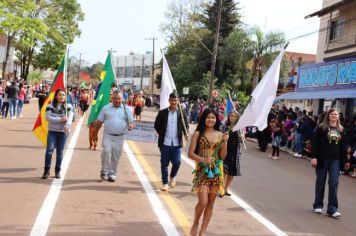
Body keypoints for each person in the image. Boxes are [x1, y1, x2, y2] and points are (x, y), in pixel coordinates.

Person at [188, 108, 228, 236]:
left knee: (211, 202)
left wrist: (225, 142)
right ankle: (195, 223)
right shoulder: (197, 134)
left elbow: (222, 156)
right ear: (204, 118)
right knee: (203, 201)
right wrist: (204, 159)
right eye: (208, 117)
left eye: (213, 118)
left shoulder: (221, 135)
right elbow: (190, 154)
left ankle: (203, 232)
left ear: (217, 120)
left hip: (216, 172)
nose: (211, 120)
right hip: (203, 171)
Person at [311, 108, 346, 218]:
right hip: (322, 159)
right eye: (332, 114)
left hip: (335, 160)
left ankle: (332, 208)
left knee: (334, 183)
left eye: (336, 114)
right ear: (328, 115)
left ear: (338, 116)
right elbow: (315, 143)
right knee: (320, 182)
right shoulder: (321, 128)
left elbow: (342, 147)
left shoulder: (341, 129)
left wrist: (344, 161)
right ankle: (318, 205)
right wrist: (314, 157)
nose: (334, 116)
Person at [93, 89, 133, 182]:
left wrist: (130, 125)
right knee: (106, 152)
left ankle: (112, 174)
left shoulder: (127, 109)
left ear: (122, 99)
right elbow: (99, 122)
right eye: (115, 99)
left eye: (119, 99)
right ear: (112, 99)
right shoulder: (106, 108)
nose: (117, 101)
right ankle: (104, 171)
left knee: (116, 156)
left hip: (120, 137)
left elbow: (131, 122)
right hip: (108, 135)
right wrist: (95, 134)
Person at [154, 93, 189, 191]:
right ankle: (165, 183)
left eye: (175, 100)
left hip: (177, 144)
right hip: (165, 143)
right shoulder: (163, 113)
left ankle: (172, 176)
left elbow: (186, 124)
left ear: (178, 101)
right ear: (169, 100)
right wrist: (162, 133)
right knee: (164, 164)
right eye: (172, 100)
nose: (174, 102)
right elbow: (157, 125)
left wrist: (186, 133)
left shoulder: (181, 113)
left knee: (177, 162)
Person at [42, 89, 74, 179]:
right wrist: (60, 119)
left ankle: (57, 170)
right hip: (52, 132)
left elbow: (70, 118)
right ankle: (46, 170)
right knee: (49, 150)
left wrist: (67, 125)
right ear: (56, 96)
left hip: (63, 133)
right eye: (60, 95)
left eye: (63, 95)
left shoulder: (69, 106)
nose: (62, 96)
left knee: (60, 152)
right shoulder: (50, 105)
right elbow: (48, 117)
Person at [219, 110, 241, 197]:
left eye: (234, 116)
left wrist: (243, 136)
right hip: (225, 151)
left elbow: (241, 140)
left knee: (232, 172)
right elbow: (220, 136)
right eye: (231, 115)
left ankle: (226, 188)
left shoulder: (239, 128)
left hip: (235, 152)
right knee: (224, 170)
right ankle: (221, 188)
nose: (232, 117)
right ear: (228, 117)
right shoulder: (224, 126)